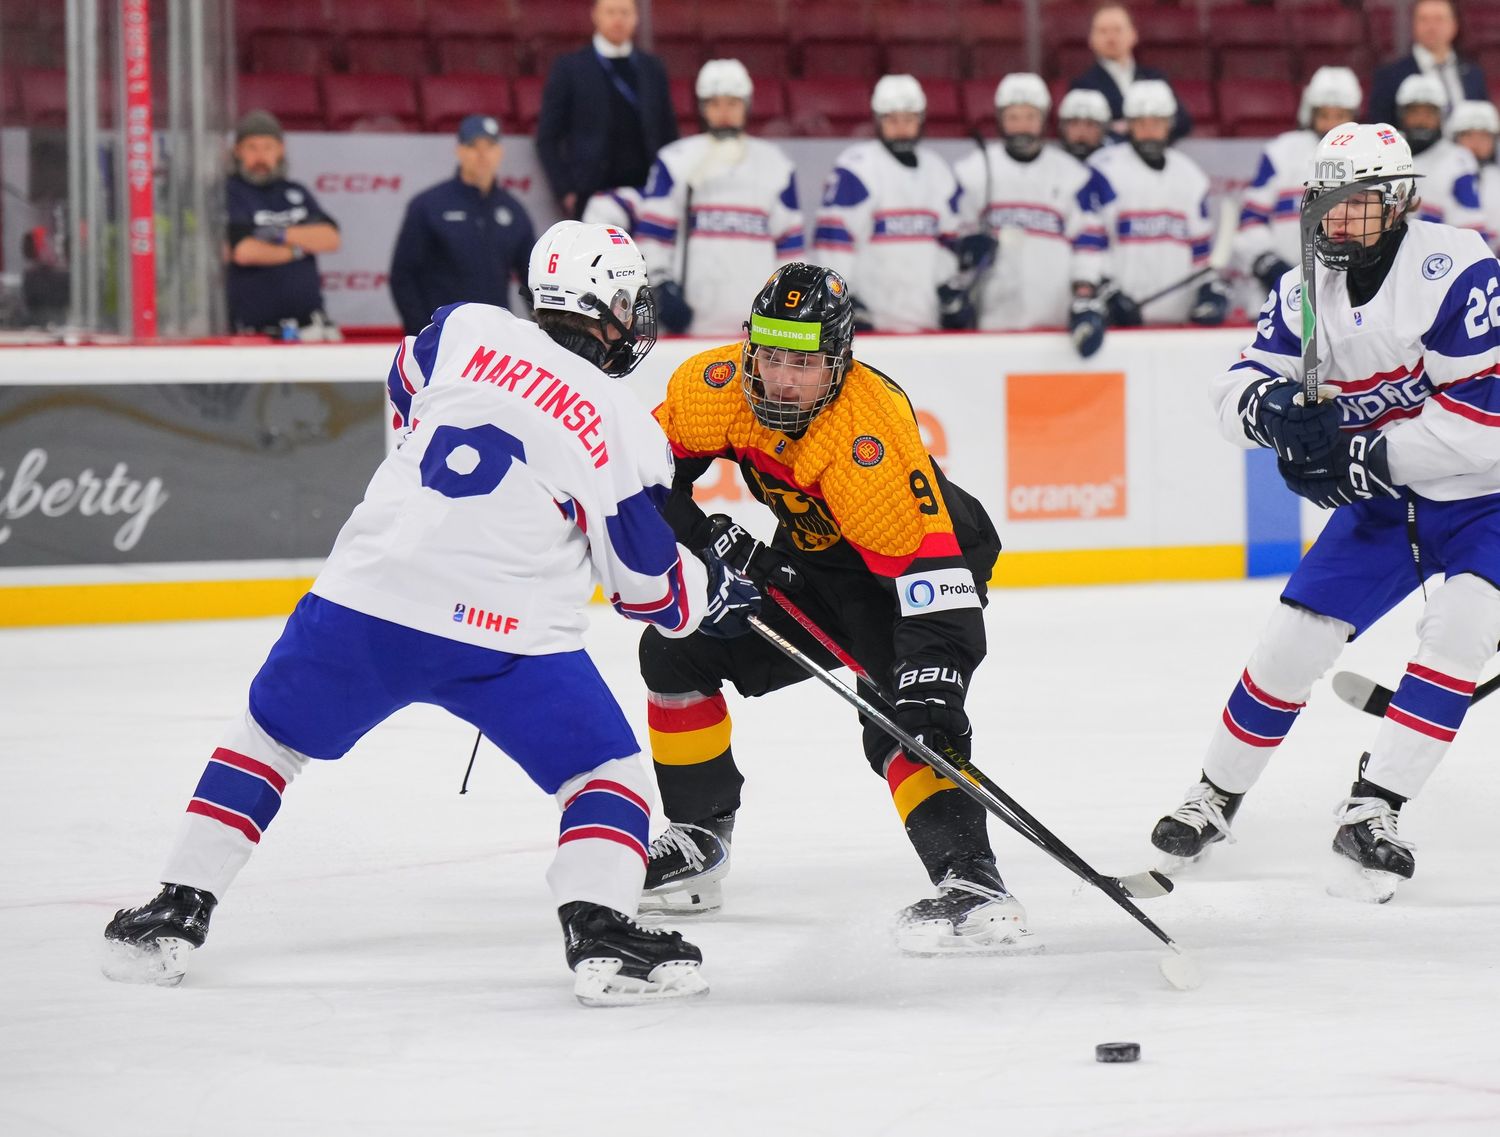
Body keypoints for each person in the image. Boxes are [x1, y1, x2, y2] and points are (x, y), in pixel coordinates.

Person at [101, 221, 761, 1006]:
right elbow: (649, 592)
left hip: (366, 596)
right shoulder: (622, 420)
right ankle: (601, 931)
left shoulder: (464, 328)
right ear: (609, 306)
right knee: (604, 775)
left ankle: (175, 909)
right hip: (506, 636)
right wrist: (712, 590)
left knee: (267, 738)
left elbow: (406, 386)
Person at [1148, 123, 1500, 904]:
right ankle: (1215, 795)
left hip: (1485, 499)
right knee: (1290, 642)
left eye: (1357, 205)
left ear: (1399, 202)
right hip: (1386, 503)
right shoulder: (1305, 288)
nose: (1337, 221)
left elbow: (1482, 426)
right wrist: (1270, 409)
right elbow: (1232, 387)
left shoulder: (1457, 268)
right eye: (1327, 203)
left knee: (1462, 629)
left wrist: (1359, 455)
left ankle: (1375, 808)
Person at [634, 262, 1016, 955]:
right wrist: (708, 537)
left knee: (902, 716)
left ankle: (973, 883)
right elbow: (639, 481)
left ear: (839, 363)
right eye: (771, 356)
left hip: (909, 572)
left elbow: (934, 587)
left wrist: (933, 680)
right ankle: (698, 841)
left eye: (804, 364)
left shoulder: (869, 439)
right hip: (810, 561)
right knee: (676, 647)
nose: (782, 380)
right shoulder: (715, 387)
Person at [634, 59, 804, 337]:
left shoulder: (777, 164)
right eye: (715, 103)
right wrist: (661, 289)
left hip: (760, 325)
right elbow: (653, 238)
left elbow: (790, 246)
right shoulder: (675, 160)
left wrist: (790, 301)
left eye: (732, 103)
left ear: (746, 105)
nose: (724, 112)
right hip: (694, 322)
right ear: (702, 107)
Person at [1069, 80, 1224, 356]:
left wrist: (1208, 289)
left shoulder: (1191, 176)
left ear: (1169, 124)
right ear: (1129, 125)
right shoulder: (1103, 170)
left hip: (1177, 328)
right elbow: (1088, 243)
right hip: (1118, 328)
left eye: (1157, 122)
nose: (1149, 131)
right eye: (1141, 123)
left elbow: (1200, 255)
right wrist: (1106, 293)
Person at [950, 73, 1101, 332]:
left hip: (1055, 323)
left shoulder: (1073, 175)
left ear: (1043, 119)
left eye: (1030, 117)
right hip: (991, 321)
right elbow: (952, 233)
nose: (1022, 126)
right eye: (1014, 117)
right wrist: (965, 248)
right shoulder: (971, 171)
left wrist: (1084, 294)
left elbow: (1088, 242)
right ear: (1000, 119)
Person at [811, 75, 963, 332]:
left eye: (909, 120)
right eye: (892, 120)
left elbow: (948, 240)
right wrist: (843, 299)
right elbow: (833, 242)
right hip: (872, 323)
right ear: (878, 121)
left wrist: (948, 286)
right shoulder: (856, 168)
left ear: (921, 120)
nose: (901, 129)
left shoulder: (938, 170)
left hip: (926, 320)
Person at [388, 114, 536, 337]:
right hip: (445, 337)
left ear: (500, 152)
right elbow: (403, 275)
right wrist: (423, 333)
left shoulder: (513, 211)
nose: (482, 155)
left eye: (489, 146)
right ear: (459, 150)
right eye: (473, 146)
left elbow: (532, 278)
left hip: (496, 339)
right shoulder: (429, 205)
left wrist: (545, 333)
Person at [535, 0, 676, 221]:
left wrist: (669, 183)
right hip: (592, 193)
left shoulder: (652, 68)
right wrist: (565, 189)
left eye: (625, 12)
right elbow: (547, 137)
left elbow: (668, 131)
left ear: (636, 17)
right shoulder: (570, 68)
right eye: (610, 12)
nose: (618, 19)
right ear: (596, 15)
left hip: (648, 193)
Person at [1234, 67, 1364, 304]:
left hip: (1348, 295)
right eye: (1324, 115)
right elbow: (1251, 221)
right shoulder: (1281, 152)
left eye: (1340, 115)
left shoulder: (1371, 156)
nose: (1331, 124)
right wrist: (1269, 263)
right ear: (1310, 113)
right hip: (1280, 293)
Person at [225, 110, 341, 338]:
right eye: (252, 147)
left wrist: (272, 233)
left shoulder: (296, 191)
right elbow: (244, 252)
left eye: (268, 147)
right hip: (255, 332)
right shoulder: (230, 192)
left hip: (309, 327)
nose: (260, 156)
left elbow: (330, 238)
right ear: (237, 151)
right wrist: (299, 249)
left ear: (281, 149)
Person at [1067, 3, 1192, 142]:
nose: (1111, 37)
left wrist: (1130, 127)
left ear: (1133, 35)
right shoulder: (1082, 85)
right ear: (1091, 39)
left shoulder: (1155, 78)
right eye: (1103, 31)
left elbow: (1182, 121)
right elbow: (1079, 132)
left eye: (1118, 30)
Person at [1396, 74, 1488, 237]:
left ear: (1441, 116)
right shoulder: (1387, 151)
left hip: (1439, 247)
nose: (1421, 120)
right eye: (1414, 112)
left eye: (1429, 113)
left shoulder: (1458, 159)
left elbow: (1472, 225)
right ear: (1402, 114)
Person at [1369, 0, 1488, 126]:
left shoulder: (1474, 74)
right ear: (1413, 25)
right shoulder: (1390, 76)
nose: (1432, 27)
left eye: (1439, 19)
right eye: (1424, 19)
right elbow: (1381, 127)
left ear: (1454, 25)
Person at [1448, 99, 1500, 250]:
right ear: (1455, 137)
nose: (1476, 143)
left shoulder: (1496, 178)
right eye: (1468, 135)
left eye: (1484, 136)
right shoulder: (1441, 175)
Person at [1057, 88, 1112, 163]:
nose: (1082, 131)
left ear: (1103, 129)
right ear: (1063, 127)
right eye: (1074, 123)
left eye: (1090, 124)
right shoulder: (1051, 159)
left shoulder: (1114, 160)